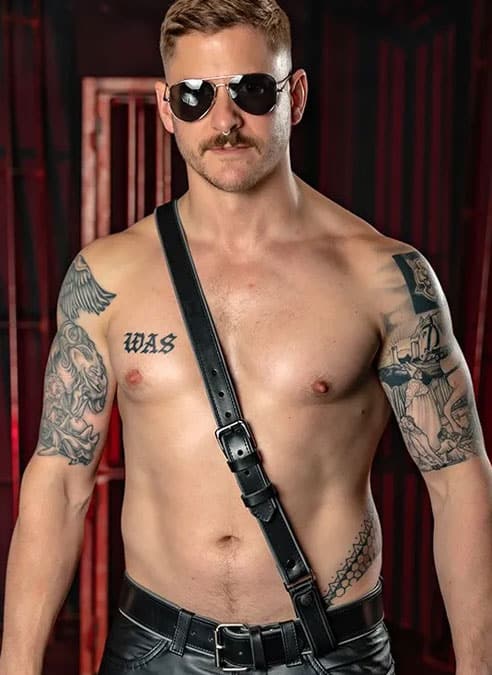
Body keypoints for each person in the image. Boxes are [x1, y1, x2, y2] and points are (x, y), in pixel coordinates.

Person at [1, 0, 491, 673]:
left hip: (328, 654)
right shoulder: (108, 277)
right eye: (196, 96)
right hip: (156, 652)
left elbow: (458, 481)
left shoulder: (383, 276)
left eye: (252, 90)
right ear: (166, 107)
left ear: (296, 95)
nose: (225, 119)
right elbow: (59, 481)